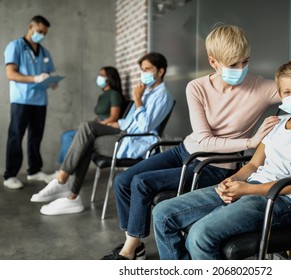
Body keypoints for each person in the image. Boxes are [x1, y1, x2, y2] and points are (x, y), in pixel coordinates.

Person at [101, 25, 291, 260]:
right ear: (214, 62)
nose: (241, 69)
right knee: (157, 209)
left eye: (245, 61)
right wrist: (233, 180)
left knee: (197, 233)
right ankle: (138, 247)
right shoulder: (204, 90)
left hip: (257, 186)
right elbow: (248, 162)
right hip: (198, 153)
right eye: (233, 64)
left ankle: (136, 251)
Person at [152, 58, 291, 259]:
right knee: (163, 213)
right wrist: (233, 181)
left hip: (280, 201)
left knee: (200, 235)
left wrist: (248, 189)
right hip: (251, 187)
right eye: (287, 92)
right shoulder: (275, 123)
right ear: (280, 96)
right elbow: (254, 164)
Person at [30, 52, 174, 216]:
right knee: (87, 128)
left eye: (148, 69)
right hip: (124, 131)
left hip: (135, 142)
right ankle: (66, 187)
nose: (143, 73)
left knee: (87, 141)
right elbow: (130, 122)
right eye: (142, 69)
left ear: (160, 71)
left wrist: (137, 100)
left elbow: (144, 127)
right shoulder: (147, 92)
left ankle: (69, 191)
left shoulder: (163, 96)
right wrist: (117, 123)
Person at [3, 15, 58, 190]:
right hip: (21, 100)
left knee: (36, 137)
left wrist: (51, 81)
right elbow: (11, 74)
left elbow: (49, 74)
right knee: (16, 136)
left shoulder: (44, 52)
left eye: (44, 33)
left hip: (40, 101)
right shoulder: (15, 46)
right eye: (39, 31)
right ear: (30, 27)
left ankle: (34, 171)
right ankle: (10, 175)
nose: (41, 34)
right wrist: (34, 78)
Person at [56, 66, 125, 166]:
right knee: (65, 135)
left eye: (102, 75)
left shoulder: (114, 94)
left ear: (109, 77)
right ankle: (62, 167)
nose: (99, 77)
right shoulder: (102, 96)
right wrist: (91, 124)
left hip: (107, 127)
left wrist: (99, 125)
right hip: (98, 125)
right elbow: (98, 115)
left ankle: (64, 169)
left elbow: (114, 117)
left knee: (69, 136)